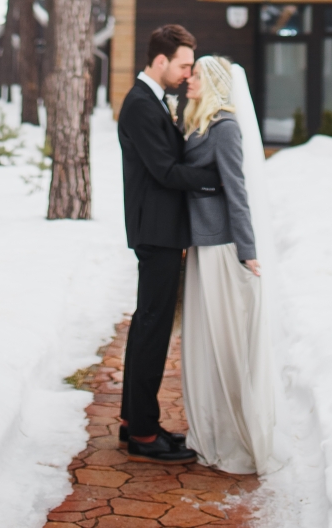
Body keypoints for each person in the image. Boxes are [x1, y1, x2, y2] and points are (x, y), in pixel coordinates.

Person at [117, 24, 220, 463]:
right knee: (153, 329)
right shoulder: (141, 104)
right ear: (160, 61)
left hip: (158, 228)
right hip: (156, 231)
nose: (187, 73)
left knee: (149, 325)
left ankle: (134, 421)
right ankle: (143, 434)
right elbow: (165, 171)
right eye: (183, 65)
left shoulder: (153, 99)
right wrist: (217, 178)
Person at [181, 55, 278, 475]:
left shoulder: (225, 128)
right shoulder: (198, 124)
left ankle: (232, 434)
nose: (189, 80)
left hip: (220, 246)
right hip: (200, 244)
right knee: (202, 341)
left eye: (196, 75)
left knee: (222, 341)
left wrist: (247, 249)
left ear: (215, 83)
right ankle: (207, 429)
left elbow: (238, 191)